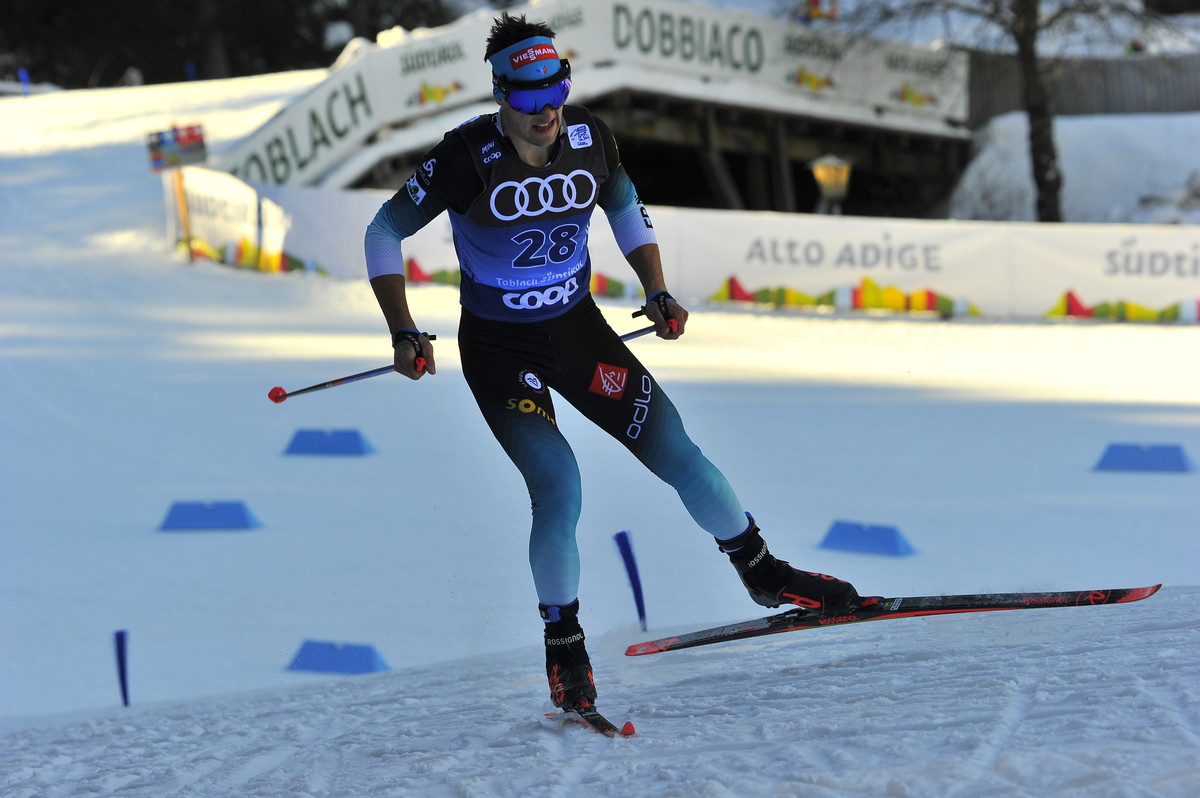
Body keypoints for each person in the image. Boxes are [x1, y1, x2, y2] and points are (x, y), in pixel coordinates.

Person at [365, 12, 867, 714]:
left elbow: (626, 206)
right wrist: (402, 328)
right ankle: (564, 645)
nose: (545, 110)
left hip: (577, 333)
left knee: (679, 451)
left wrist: (655, 288)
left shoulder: (590, 137)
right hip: (500, 349)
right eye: (528, 95)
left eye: (556, 89)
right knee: (559, 484)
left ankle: (763, 572)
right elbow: (383, 231)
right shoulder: (465, 156)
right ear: (501, 92)